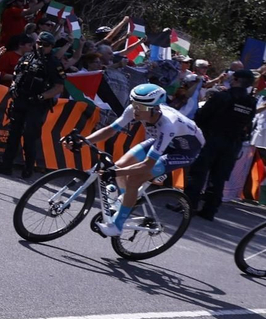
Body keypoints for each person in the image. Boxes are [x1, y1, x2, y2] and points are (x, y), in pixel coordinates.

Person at [79, 83, 204, 237]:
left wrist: (114, 173)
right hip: (160, 141)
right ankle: (127, 201)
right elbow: (110, 130)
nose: (136, 110)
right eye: (134, 104)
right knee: (119, 165)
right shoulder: (135, 110)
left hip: (184, 151)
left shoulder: (168, 125)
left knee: (133, 178)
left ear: (155, 108)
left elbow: (146, 165)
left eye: (142, 107)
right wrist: (84, 141)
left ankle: (117, 225)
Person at [0, 31, 67, 178]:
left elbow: (58, 87)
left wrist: (41, 97)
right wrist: (13, 87)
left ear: (51, 47)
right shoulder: (27, 57)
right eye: (39, 43)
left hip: (37, 104)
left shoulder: (54, 63)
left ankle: (28, 168)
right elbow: (17, 74)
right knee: (13, 134)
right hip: (21, 100)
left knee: (30, 136)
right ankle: (6, 166)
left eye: (46, 45)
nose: (41, 47)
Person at [188, 69, 256, 219]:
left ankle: (187, 206)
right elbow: (247, 123)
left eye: (233, 77)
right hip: (232, 144)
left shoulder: (221, 96)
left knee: (198, 173)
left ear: (237, 80)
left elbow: (201, 116)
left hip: (211, 140)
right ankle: (210, 210)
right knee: (218, 178)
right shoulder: (251, 102)